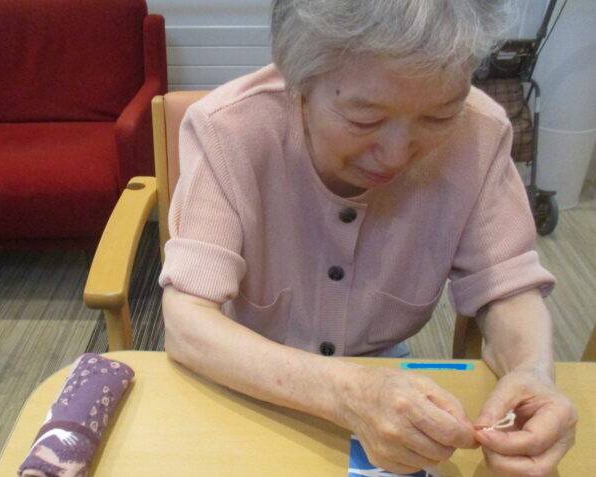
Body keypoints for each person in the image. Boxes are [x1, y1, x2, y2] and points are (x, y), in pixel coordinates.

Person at [158, 0, 577, 475]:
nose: (396, 155)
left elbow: (507, 290)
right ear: (299, 84)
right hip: (250, 372)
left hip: (383, 370)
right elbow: (187, 322)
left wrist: (532, 372)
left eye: (438, 117)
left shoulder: (480, 133)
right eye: (365, 120)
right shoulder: (229, 130)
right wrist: (347, 392)